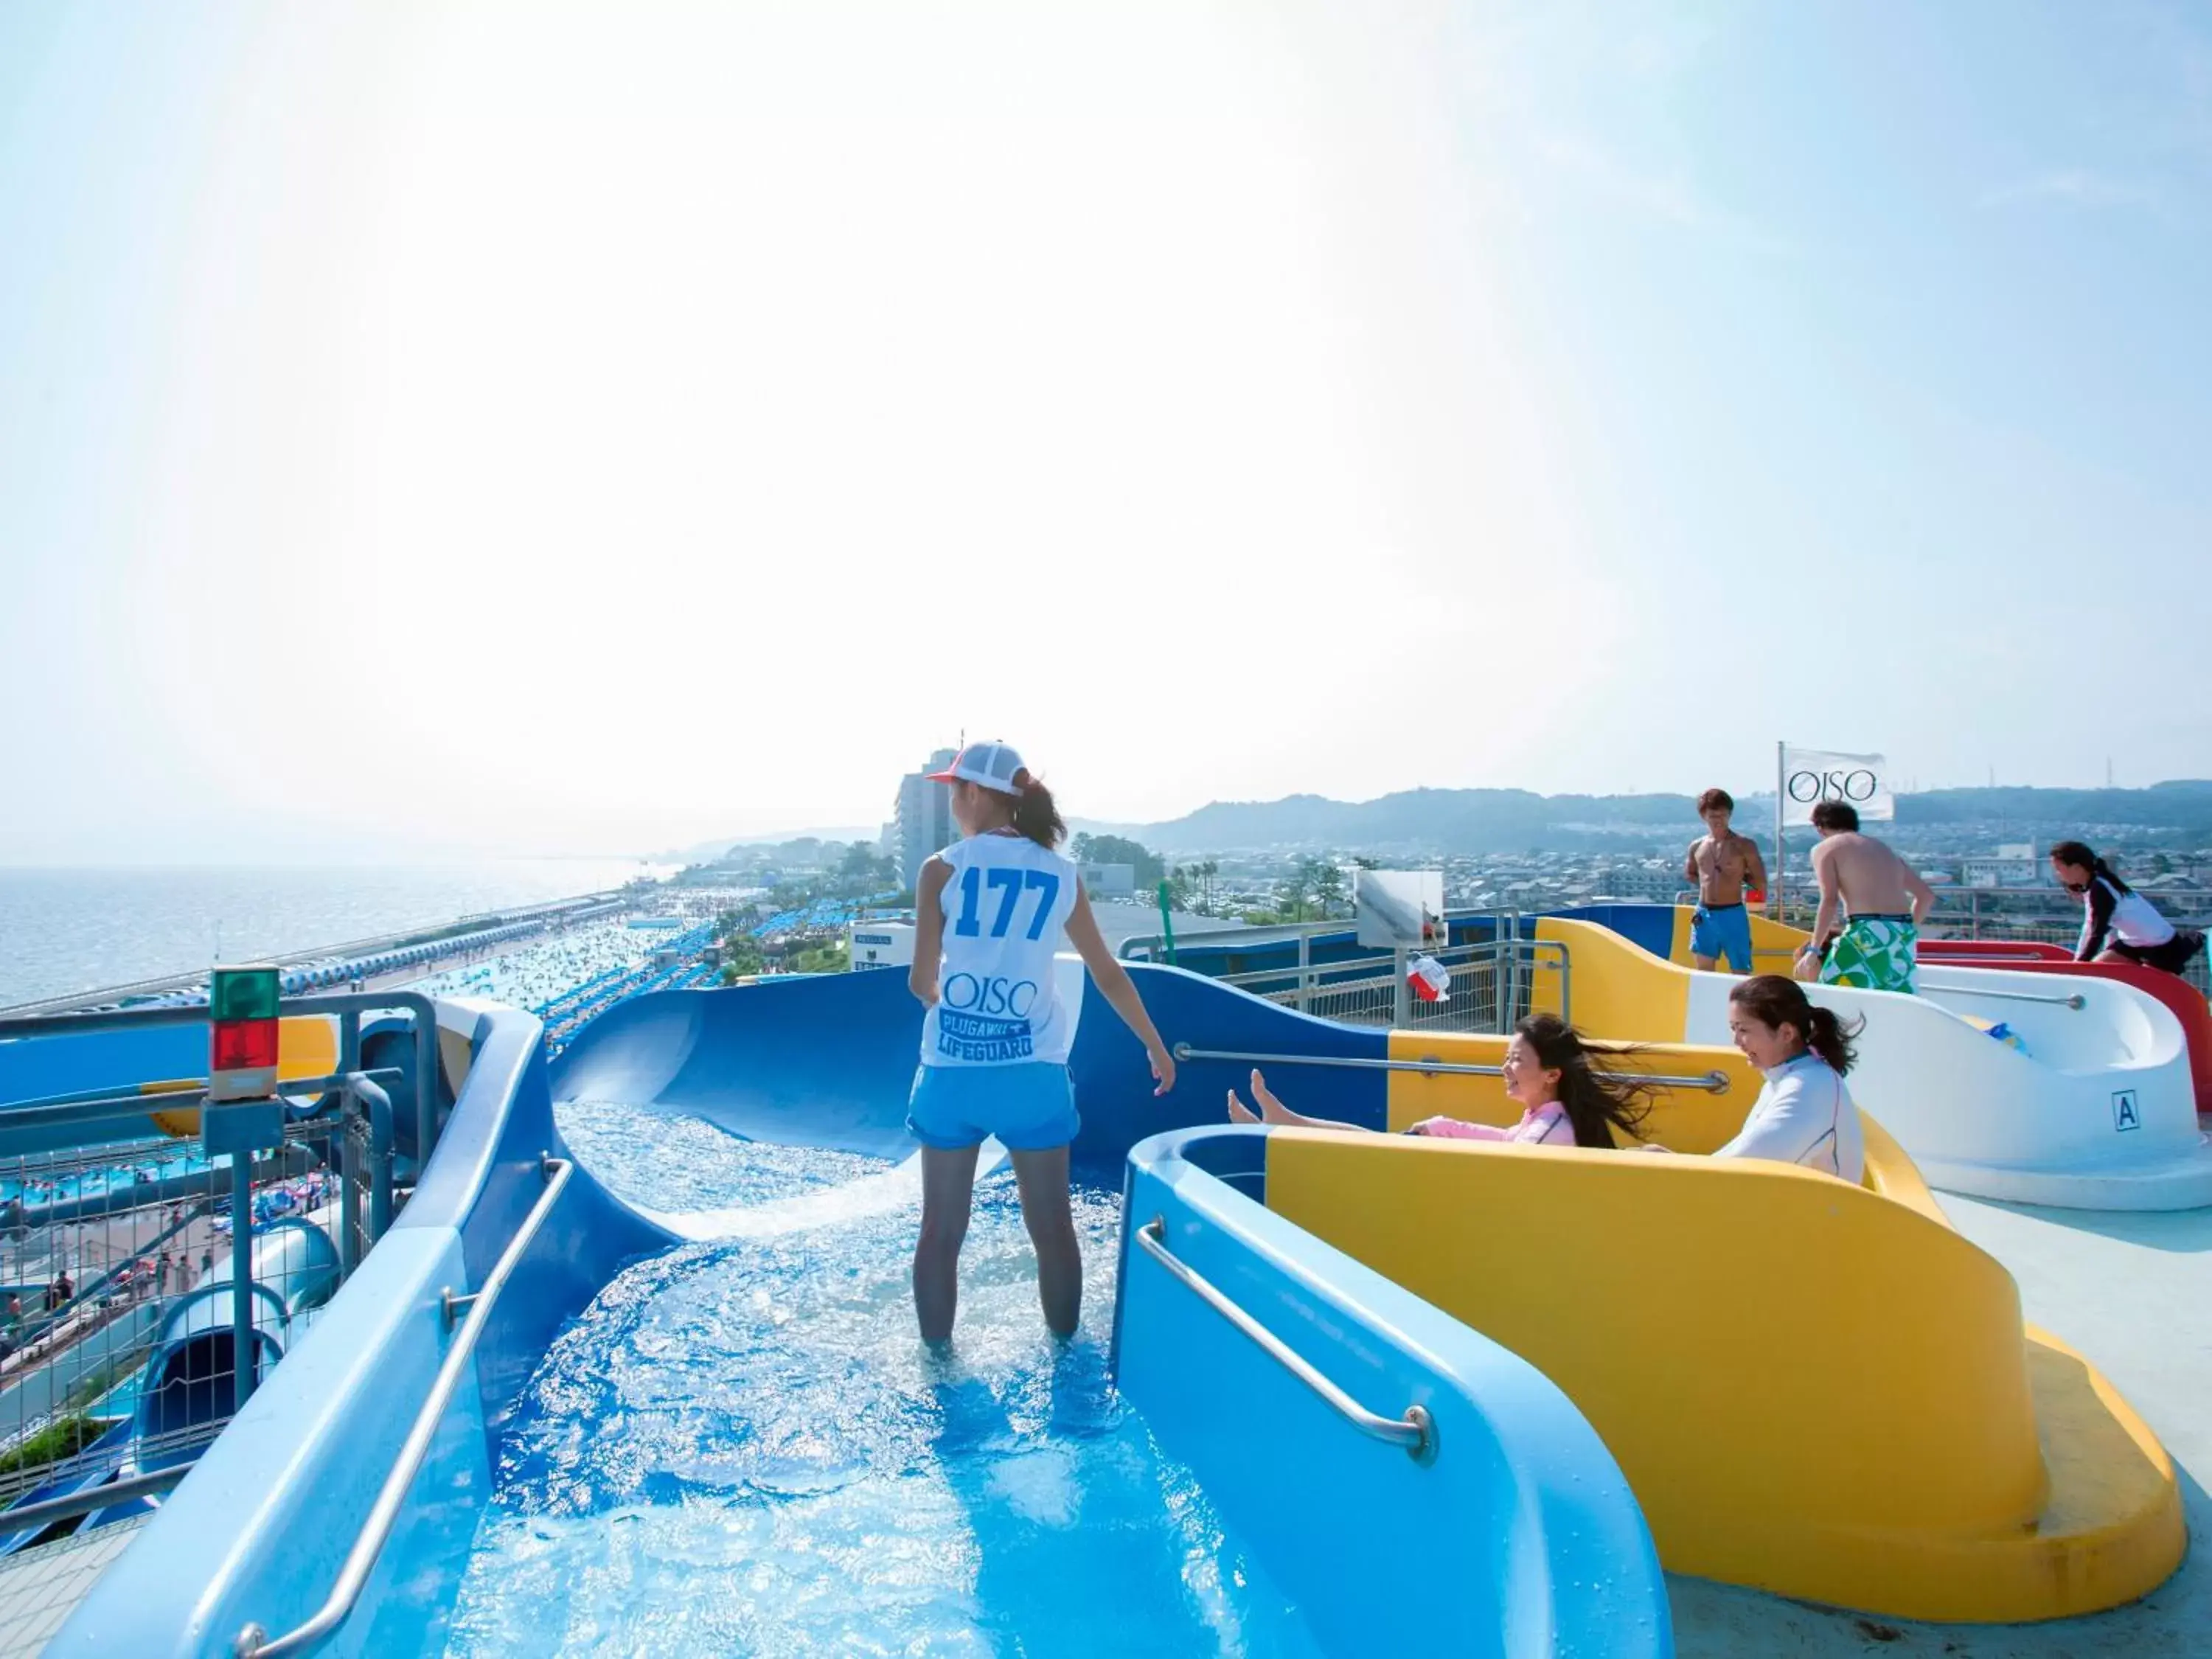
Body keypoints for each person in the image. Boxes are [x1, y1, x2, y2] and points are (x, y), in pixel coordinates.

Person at [907, 741, 1176, 1347]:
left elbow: (921, 982)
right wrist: (1155, 1046)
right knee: (1053, 1229)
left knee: (940, 1232)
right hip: (1033, 1074)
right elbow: (1107, 970)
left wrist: (948, 999)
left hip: (952, 1071)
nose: (952, 802)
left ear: (974, 793)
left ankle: (938, 1367)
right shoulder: (1061, 873)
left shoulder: (940, 869)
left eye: (954, 790)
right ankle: (1066, 1354)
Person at [1227, 1013, 1655, 1149]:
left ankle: (1281, 1126)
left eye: (1517, 1060)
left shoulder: (1550, 1130)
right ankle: (1285, 1121)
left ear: (1551, 1074)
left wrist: (1441, 1136)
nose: (1505, 1067)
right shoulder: (1544, 1120)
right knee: (1382, 1142)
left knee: (1378, 1146)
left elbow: (1507, 1164)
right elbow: (1504, 1141)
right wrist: (1443, 1127)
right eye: (1506, 1057)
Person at [1718, 975, 1865, 1181]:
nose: (1736, 1041)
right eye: (1733, 1029)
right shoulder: (1788, 1077)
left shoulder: (1809, 1087)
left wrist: (1677, 1166)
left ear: (1787, 1033)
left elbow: (1746, 1165)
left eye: (1743, 1030)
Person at [1798, 801, 1934, 994]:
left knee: (1833, 996)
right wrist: (1906, 930)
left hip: (1868, 929)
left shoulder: (1826, 848)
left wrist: (1814, 950)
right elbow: (1925, 896)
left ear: (1820, 827)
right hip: (1903, 934)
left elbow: (1829, 900)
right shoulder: (1884, 850)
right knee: (1897, 1003)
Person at [2050, 841, 2205, 976]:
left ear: (2076, 867)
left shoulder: (2100, 888)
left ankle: (2193, 940)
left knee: (2101, 972)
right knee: (2098, 970)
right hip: (2134, 943)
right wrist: (2079, 962)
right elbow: (2094, 927)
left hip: (2158, 946)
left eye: (2059, 869)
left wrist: (2079, 963)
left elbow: (2096, 932)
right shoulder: (2096, 884)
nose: (2058, 875)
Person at [1685, 788, 1768, 973]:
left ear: (1730, 815)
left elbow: (1760, 880)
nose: (1718, 820)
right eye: (1713, 815)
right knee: (1703, 969)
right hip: (1704, 913)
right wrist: (1710, 884)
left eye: (1723, 815)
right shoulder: (1697, 846)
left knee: (1740, 969)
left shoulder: (1744, 845)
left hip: (1733, 912)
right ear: (1704, 816)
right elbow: (1690, 873)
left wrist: (1756, 910)